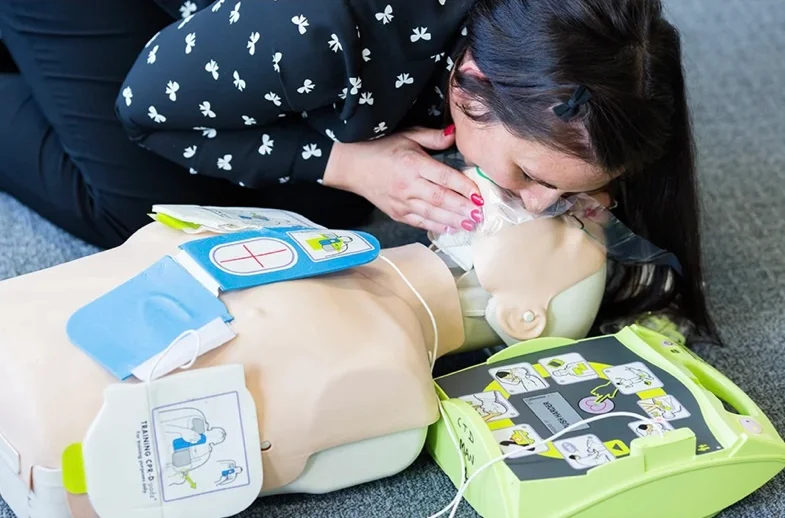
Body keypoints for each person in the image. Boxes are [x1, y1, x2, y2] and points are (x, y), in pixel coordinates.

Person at [0, 0, 717, 341]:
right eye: (533, 177)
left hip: (256, 41)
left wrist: (584, 185)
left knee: (329, 211)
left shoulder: (577, 34)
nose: (537, 203)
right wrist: (342, 159)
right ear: (471, 85)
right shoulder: (322, 31)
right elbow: (147, 111)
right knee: (148, 210)